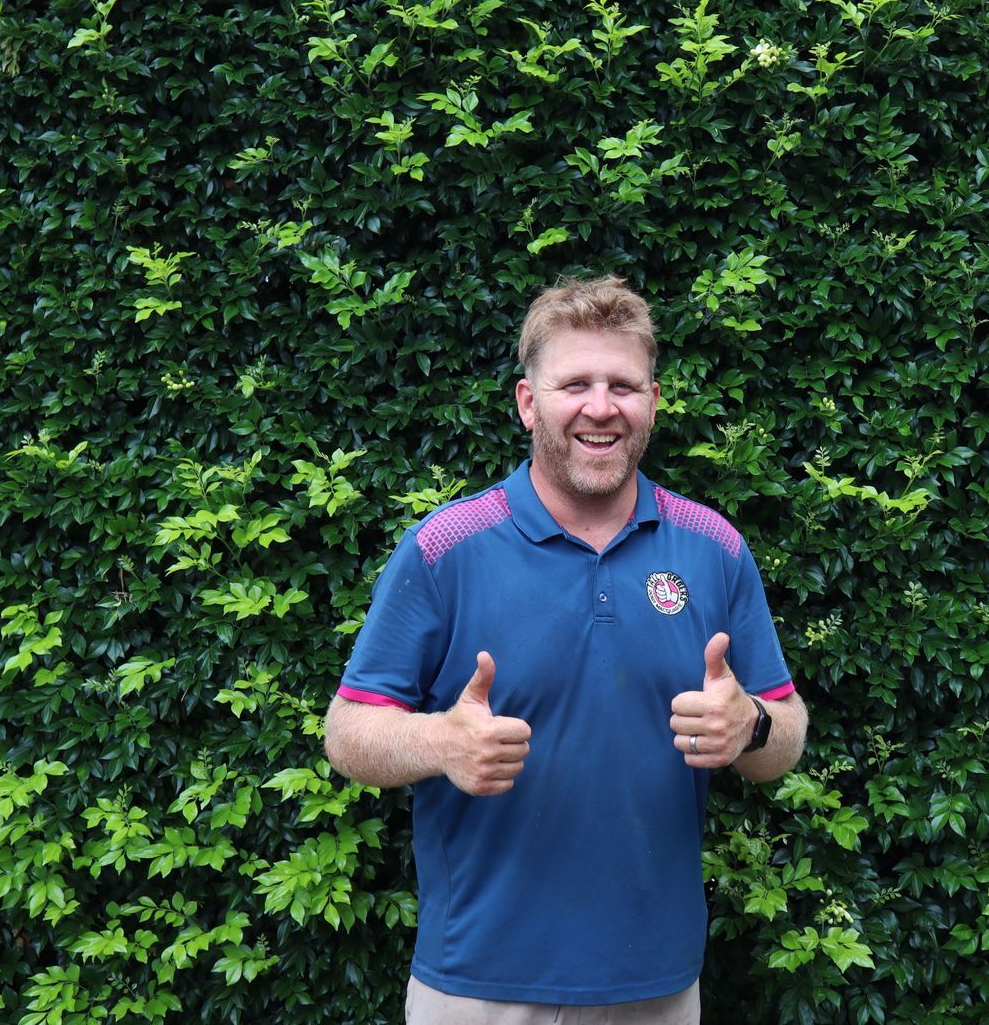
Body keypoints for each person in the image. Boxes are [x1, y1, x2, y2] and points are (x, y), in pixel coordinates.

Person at [324, 275, 807, 1024]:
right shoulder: (443, 549)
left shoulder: (714, 548)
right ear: (527, 402)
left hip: (657, 985)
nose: (600, 406)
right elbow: (348, 732)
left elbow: (784, 730)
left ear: (651, 401)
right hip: (476, 985)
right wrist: (438, 741)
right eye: (573, 383)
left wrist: (750, 727)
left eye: (623, 384)